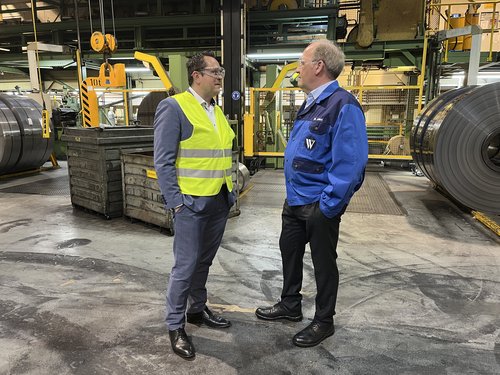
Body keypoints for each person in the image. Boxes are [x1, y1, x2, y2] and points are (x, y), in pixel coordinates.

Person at [255, 40, 368, 347]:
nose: (298, 67)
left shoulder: (343, 104)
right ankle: (290, 305)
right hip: (294, 199)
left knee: (323, 263)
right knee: (289, 253)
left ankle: (323, 320)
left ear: (319, 66)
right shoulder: (310, 102)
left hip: (318, 203)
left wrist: (328, 205)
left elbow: (351, 162)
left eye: (301, 62)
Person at [153, 51, 235, 360]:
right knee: (185, 267)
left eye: (221, 72)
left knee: (203, 263)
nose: (219, 77)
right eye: (214, 71)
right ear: (196, 75)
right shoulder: (174, 107)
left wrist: (231, 192)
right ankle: (175, 325)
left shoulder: (216, 110)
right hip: (190, 204)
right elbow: (163, 162)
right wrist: (176, 204)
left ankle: (197, 311)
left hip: (218, 199)